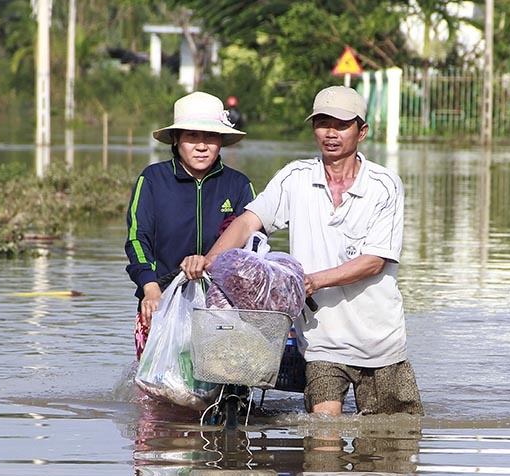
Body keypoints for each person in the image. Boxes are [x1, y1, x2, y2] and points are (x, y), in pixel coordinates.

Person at [181, 86, 422, 417]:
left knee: (390, 449)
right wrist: (210, 262)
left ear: (361, 131)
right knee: (323, 442)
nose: (330, 133)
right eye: (323, 124)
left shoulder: (384, 185)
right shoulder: (295, 178)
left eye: (341, 125)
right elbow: (247, 222)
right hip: (321, 341)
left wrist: (311, 282)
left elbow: (374, 262)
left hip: (379, 340)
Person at [125, 91, 255, 359]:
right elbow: (137, 240)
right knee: (161, 392)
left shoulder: (239, 185)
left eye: (210, 137)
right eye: (192, 136)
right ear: (176, 139)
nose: (202, 146)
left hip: (221, 310)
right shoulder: (152, 180)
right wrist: (150, 287)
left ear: (221, 141)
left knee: (222, 390)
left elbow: (253, 249)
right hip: (160, 302)